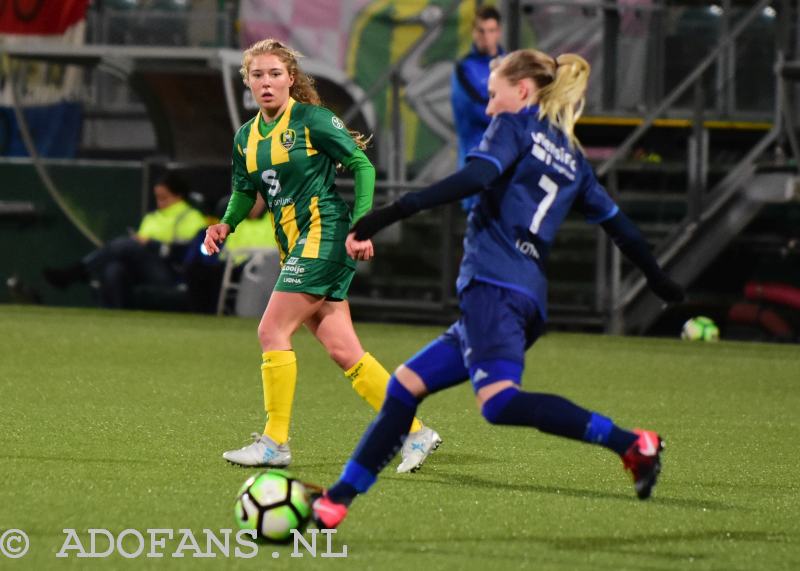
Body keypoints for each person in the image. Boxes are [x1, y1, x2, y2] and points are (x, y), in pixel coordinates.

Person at [311, 48, 686, 528]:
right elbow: (623, 230)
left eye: (494, 95)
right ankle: (337, 500)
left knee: (500, 402)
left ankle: (630, 443)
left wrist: (392, 212)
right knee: (403, 389)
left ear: (523, 90)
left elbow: (478, 176)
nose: (489, 107)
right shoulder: (573, 159)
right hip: (523, 297)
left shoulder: (515, 125)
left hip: (494, 286)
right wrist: (658, 279)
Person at [204, 39, 440, 473]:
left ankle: (275, 441)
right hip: (295, 243)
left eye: (275, 73)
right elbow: (245, 191)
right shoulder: (246, 137)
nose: (267, 82)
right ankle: (415, 431)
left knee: (271, 330)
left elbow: (362, 165)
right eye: (258, 75)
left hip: (324, 233)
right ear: (248, 82)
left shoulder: (312, 120)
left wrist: (363, 225)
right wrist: (226, 224)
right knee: (343, 350)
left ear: (290, 78)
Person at [43, 173, 206, 309]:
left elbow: (188, 253)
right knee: (115, 267)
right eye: (157, 198)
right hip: (142, 270)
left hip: (170, 272)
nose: (159, 203)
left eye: (164, 198)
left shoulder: (191, 217)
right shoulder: (151, 217)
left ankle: (77, 271)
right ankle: (116, 317)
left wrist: (151, 244)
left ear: (178, 196)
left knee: (125, 245)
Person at [184, 193, 277, 314]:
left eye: (256, 200)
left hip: (259, 265)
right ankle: (200, 314)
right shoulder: (237, 220)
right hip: (232, 263)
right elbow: (227, 246)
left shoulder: (274, 219)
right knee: (197, 269)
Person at [451, 5, 503, 212]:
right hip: (476, 162)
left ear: (498, 32)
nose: (486, 37)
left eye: (491, 31)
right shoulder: (464, 68)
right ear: (474, 32)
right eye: (481, 31)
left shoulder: (509, 64)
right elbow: (476, 110)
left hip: (505, 166)